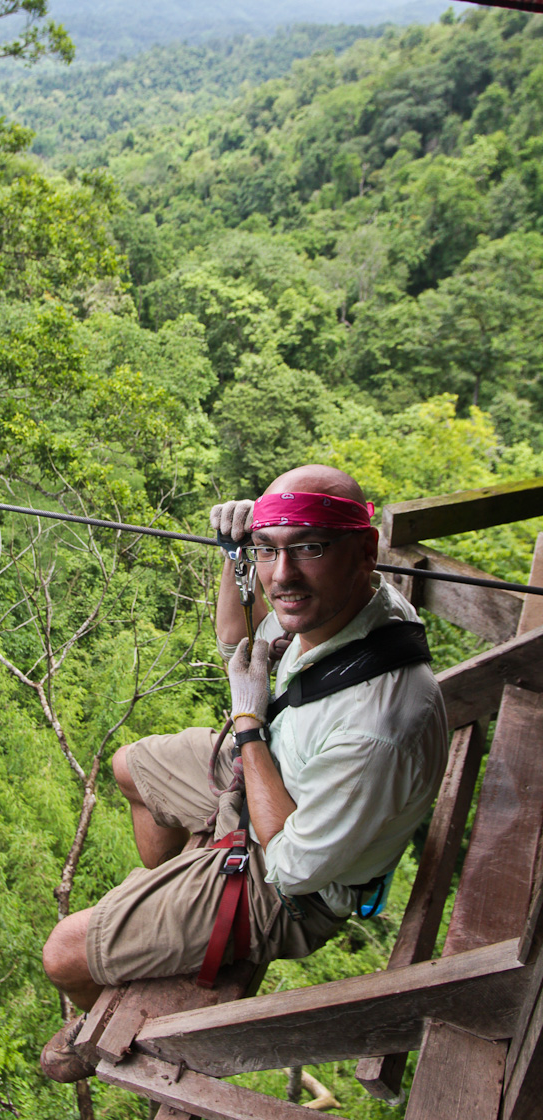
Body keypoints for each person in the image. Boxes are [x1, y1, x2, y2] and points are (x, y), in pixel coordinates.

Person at [39, 464, 448, 1082]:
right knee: (131, 768)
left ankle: (104, 1019)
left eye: (308, 548)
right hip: (282, 766)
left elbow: (291, 866)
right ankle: (169, 902)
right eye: (268, 550)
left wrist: (249, 720)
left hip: (292, 884)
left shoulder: (380, 730)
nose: (282, 574)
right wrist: (233, 555)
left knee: (64, 956)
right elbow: (236, 636)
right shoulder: (351, 608)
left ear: (366, 552)